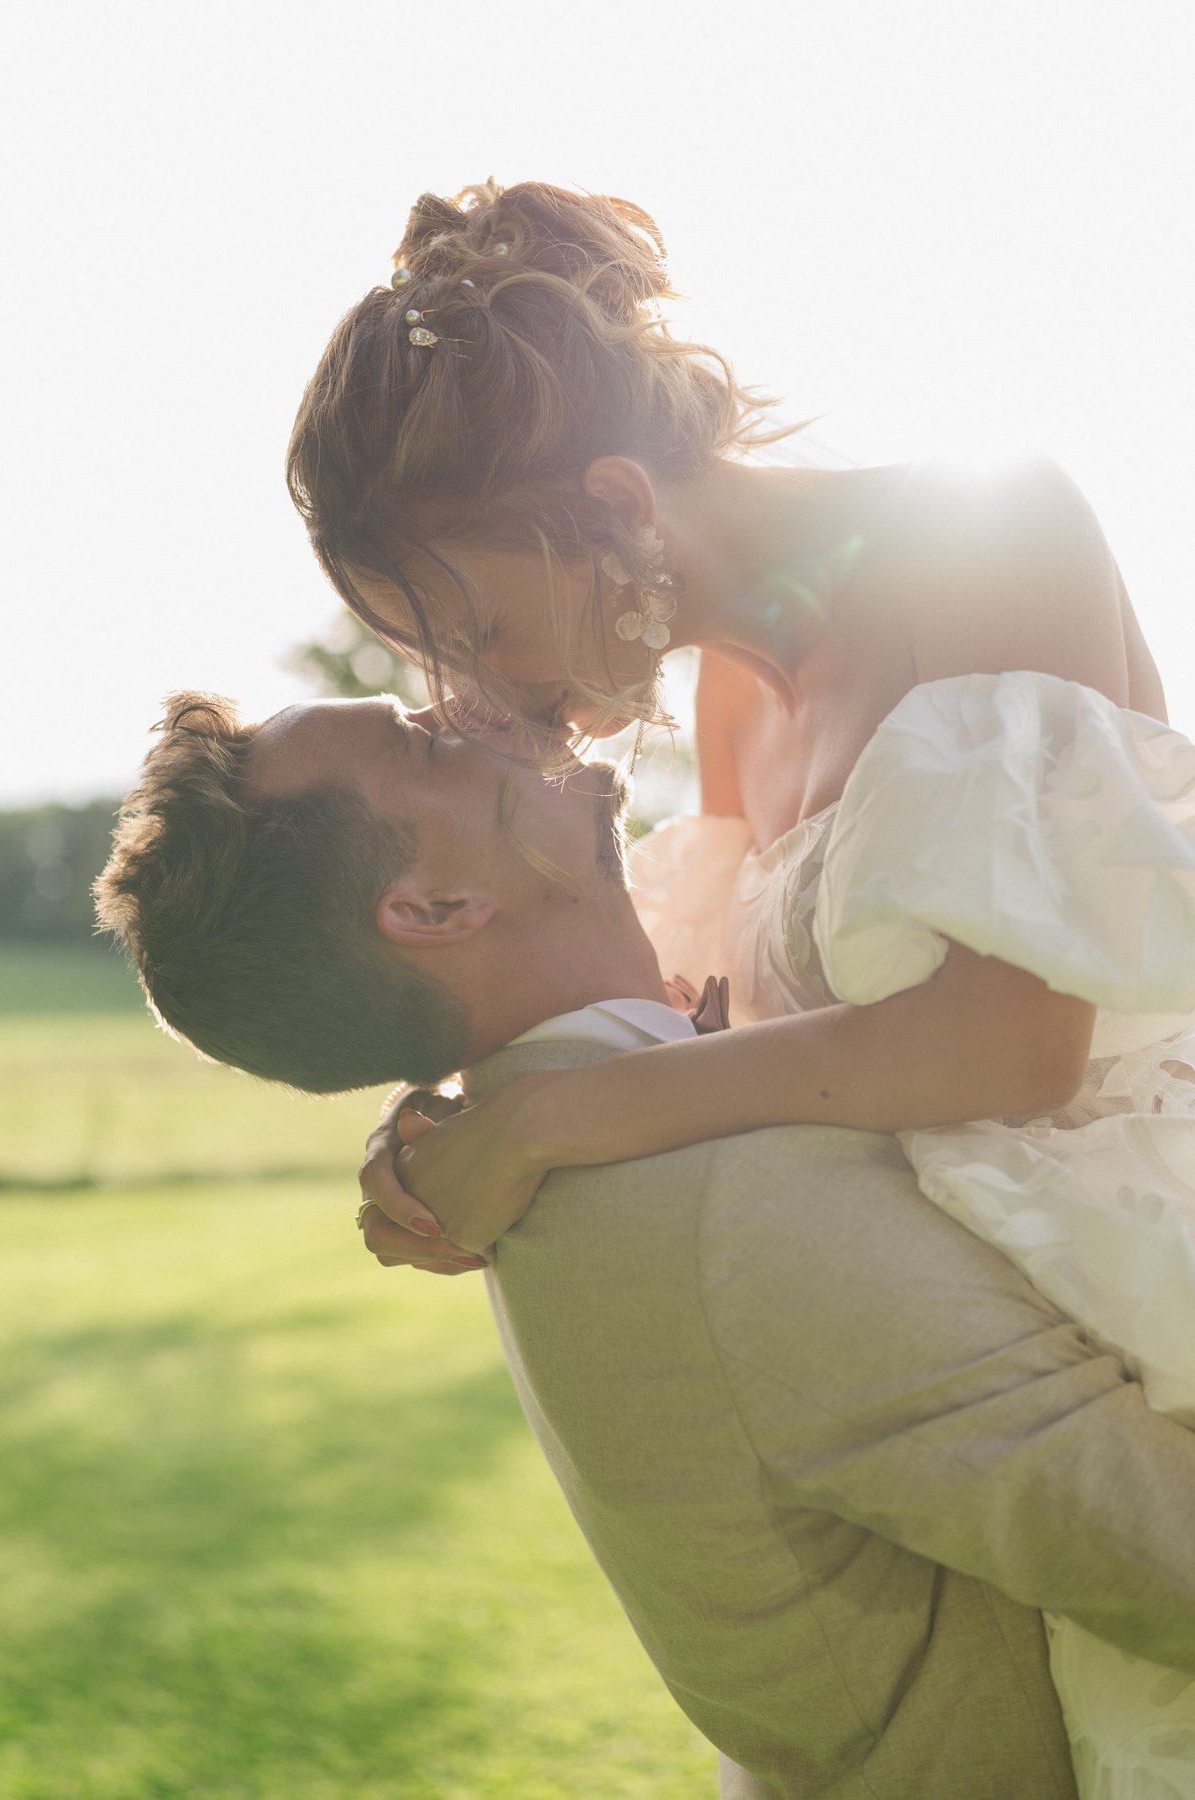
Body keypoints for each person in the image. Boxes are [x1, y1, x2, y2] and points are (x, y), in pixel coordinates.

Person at [285, 180, 1195, 1793]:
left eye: (483, 628)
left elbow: (1017, 1038)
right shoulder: (721, 709)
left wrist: (572, 1113)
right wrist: (466, 1122)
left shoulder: (990, 533)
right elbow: (744, 1058)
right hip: (962, 1358)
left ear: (620, 499)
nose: (489, 701)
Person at [96, 689, 1195, 1799]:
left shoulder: (551, 1158)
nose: (476, 705)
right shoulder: (725, 1214)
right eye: (425, 739)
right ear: (435, 906)